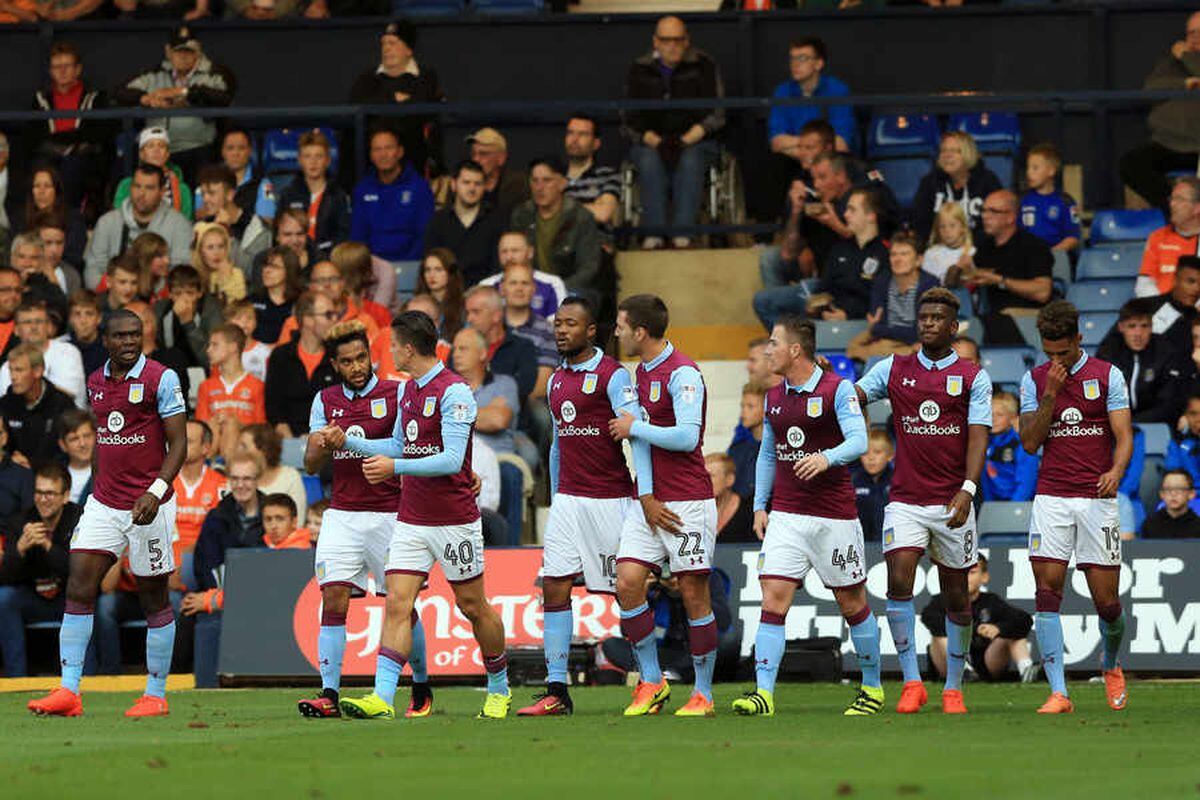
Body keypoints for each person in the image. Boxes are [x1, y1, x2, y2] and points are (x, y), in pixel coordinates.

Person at [325, 310, 512, 721]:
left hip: (454, 519)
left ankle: (499, 686)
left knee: (473, 605)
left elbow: (448, 460)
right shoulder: (408, 390)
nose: (387, 352)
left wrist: (397, 468)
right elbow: (397, 443)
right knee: (397, 603)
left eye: (392, 345)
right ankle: (382, 697)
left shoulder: (455, 392)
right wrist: (351, 443)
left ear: (409, 349)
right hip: (411, 518)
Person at [27, 309, 187, 719]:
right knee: (79, 585)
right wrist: (94, 490)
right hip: (105, 503)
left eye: (136, 334)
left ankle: (155, 694)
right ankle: (69, 690)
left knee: (154, 596)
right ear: (105, 340)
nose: (130, 342)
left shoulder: (161, 379)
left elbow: (179, 445)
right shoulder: (96, 383)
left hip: (151, 504)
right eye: (121, 336)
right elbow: (104, 439)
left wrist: (155, 491)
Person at [855, 287, 993, 715]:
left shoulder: (973, 376)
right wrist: (829, 383)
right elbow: (853, 395)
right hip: (906, 500)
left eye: (938, 318)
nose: (929, 323)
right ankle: (912, 682)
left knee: (957, 597)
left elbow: (978, 437)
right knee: (899, 580)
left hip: (953, 501)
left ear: (953, 327)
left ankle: (953, 686)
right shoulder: (893, 368)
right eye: (924, 317)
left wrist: (968, 489)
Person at [733, 315, 878, 717]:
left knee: (852, 603)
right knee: (773, 599)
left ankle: (872, 687)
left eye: (774, 343)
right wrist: (762, 504)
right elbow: (767, 454)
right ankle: (764, 693)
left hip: (834, 517)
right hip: (788, 516)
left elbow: (859, 441)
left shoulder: (838, 389)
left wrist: (826, 458)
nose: (767, 350)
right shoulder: (775, 396)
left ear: (795, 349)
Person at [513, 296, 639, 716]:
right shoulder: (555, 381)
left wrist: (648, 492)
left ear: (590, 331)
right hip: (568, 500)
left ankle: (654, 679)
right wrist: (554, 494)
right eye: (557, 323)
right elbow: (558, 445)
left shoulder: (613, 376)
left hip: (610, 499)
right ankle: (556, 690)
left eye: (570, 323)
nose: (561, 330)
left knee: (628, 591)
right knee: (554, 586)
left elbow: (635, 432)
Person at [300, 320, 432, 718]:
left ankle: (422, 684)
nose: (357, 366)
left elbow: (409, 446)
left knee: (402, 605)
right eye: (347, 361)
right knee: (333, 597)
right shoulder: (324, 400)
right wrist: (321, 442)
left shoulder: (398, 392)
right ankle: (329, 694)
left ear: (371, 355)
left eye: (362, 358)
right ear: (335, 365)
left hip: (392, 514)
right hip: (342, 514)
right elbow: (309, 465)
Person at [1018, 300, 1132, 714]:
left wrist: (1117, 470)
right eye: (1048, 353)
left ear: (1079, 340)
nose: (1055, 360)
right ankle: (1059, 692)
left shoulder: (1107, 375)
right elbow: (1030, 443)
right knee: (1047, 592)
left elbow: (1123, 434)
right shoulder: (1034, 381)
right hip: (1051, 497)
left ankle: (1111, 663)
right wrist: (1050, 390)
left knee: (1108, 603)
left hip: (1097, 499)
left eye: (1062, 353)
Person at [607, 293, 719, 717]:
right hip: (651, 500)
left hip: (689, 500)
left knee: (693, 592)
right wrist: (647, 496)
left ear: (640, 331)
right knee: (628, 581)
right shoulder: (640, 372)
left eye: (621, 325)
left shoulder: (682, 373)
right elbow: (641, 443)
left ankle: (703, 693)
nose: (616, 332)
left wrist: (638, 424)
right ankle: (652, 683)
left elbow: (687, 437)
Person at [623, 16, 724, 250]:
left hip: (696, 139)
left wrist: (685, 140)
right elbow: (628, 118)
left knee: (690, 159)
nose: (672, 45)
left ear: (686, 40)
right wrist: (655, 141)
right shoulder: (640, 68)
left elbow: (718, 112)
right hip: (650, 140)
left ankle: (682, 235)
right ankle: (654, 234)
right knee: (649, 160)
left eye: (678, 40)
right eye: (666, 40)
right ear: (655, 42)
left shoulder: (704, 65)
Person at [113, 26, 235, 181]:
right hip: (156, 147)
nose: (183, 56)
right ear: (168, 52)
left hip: (195, 146)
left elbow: (223, 97)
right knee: (125, 163)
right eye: (178, 51)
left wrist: (183, 92)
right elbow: (119, 93)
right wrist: (146, 98)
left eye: (189, 51)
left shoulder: (213, 73)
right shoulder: (155, 73)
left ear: (198, 51)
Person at [186, 453, 264, 688]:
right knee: (208, 623)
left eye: (248, 478)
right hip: (218, 599)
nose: (241, 485)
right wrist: (219, 597)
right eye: (236, 478)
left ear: (258, 479)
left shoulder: (274, 512)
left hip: (265, 600)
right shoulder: (216, 517)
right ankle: (206, 691)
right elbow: (206, 566)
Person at [0, 463, 82, 677]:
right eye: (38, 492)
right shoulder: (19, 522)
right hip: (32, 598)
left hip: (68, 597)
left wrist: (47, 546)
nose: (42, 499)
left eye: (50, 493)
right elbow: (5, 577)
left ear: (65, 496)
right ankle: (15, 679)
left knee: (88, 598)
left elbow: (79, 573)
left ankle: (86, 678)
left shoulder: (79, 519)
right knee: (4, 598)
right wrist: (20, 549)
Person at [1119, 11, 1200, 212]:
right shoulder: (1169, 63)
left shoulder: (1183, 56)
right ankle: (1176, 211)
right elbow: (1150, 90)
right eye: (1191, 32)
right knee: (1131, 163)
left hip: (1198, 143)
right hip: (1167, 142)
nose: (1195, 37)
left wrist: (1186, 56)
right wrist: (1184, 85)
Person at [952, 190, 1054, 346]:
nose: (985, 216)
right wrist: (962, 270)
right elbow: (964, 282)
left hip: (1027, 318)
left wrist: (1000, 281)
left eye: (993, 211)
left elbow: (1043, 292)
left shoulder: (1033, 246)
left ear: (1010, 217)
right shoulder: (984, 246)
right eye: (984, 210)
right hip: (991, 319)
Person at [348, 19, 445, 178]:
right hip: (370, 166)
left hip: (415, 163)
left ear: (408, 49)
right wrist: (394, 99)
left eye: (393, 43)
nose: (386, 49)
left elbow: (418, 116)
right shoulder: (367, 78)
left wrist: (381, 106)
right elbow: (355, 111)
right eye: (384, 44)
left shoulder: (426, 76)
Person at [766, 38, 856, 210]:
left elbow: (841, 144)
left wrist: (805, 149)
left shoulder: (837, 90)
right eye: (792, 59)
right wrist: (809, 150)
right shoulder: (783, 91)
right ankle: (775, 231)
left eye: (802, 59)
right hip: (795, 160)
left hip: (830, 160)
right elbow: (777, 142)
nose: (795, 64)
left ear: (819, 63)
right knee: (774, 164)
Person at [451, 327, 523, 540]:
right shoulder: (446, 387)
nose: (456, 354)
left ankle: (510, 552)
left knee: (510, 473)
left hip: (499, 457)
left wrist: (455, 415)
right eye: (454, 348)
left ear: (482, 353)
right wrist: (483, 413)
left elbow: (498, 420)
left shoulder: (504, 383)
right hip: (456, 456)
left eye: (463, 348)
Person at [920, 554, 1036, 683]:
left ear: (984, 577)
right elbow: (929, 618)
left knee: (1015, 630)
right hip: (947, 666)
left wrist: (999, 629)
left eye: (971, 572)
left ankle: (1026, 669)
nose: (965, 578)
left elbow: (1025, 620)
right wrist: (971, 629)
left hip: (987, 662)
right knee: (938, 635)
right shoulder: (942, 601)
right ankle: (962, 670)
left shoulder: (992, 602)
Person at [27, 44, 112, 217]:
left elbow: (97, 134)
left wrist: (65, 143)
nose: (62, 71)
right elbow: (34, 135)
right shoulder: (40, 98)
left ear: (78, 69)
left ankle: (69, 220)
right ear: (50, 71)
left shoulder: (95, 97)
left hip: (83, 159)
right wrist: (67, 141)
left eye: (67, 66)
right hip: (49, 156)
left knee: (74, 165)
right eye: (57, 67)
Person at [84, 163, 192, 289]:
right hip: (112, 301)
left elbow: (180, 274)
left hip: (159, 303)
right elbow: (94, 269)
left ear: (162, 191)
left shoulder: (180, 225)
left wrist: (147, 297)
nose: (141, 193)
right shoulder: (107, 222)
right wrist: (116, 296)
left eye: (149, 188)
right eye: (137, 186)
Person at [509, 157, 603, 301]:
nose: (540, 187)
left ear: (562, 183)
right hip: (528, 288)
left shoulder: (581, 217)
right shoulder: (521, 215)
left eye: (547, 180)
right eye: (535, 181)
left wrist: (556, 290)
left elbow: (588, 268)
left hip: (571, 288)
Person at [846, 231, 939, 361]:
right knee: (852, 347)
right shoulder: (882, 282)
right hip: (887, 342)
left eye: (904, 254)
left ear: (919, 260)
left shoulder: (930, 285)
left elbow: (925, 330)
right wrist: (882, 330)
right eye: (893, 254)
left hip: (916, 343)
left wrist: (883, 330)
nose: (897, 259)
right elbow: (875, 328)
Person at [1096, 298, 1187, 425]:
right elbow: (1099, 397)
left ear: (1151, 327)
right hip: (1114, 423)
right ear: (1121, 327)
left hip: (1155, 425)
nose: (1138, 333)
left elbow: (1169, 402)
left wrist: (1134, 423)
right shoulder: (1108, 352)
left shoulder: (1165, 351)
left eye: (1144, 326)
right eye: (1132, 326)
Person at [350, 127, 434, 265]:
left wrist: (407, 267)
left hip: (411, 266)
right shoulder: (363, 189)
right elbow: (358, 237)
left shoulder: (419, 187)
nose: (383, 154)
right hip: (372, 268)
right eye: (377, 149)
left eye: (388, 148)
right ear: (371, 155)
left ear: (400, 152)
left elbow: (424, 236)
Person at [264, 291, 339, 438]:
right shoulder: (281, 356)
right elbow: (274, 411)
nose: (335, 319)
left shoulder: (338, 357)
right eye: (328, 315)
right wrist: (294, 444)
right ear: (307, 319)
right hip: (288, 440)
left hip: (328, 442)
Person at [911, 131, 1004, 241]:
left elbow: (997, 224)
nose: (947, 155)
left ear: (968, 153)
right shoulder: (930, 182)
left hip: (980, 250)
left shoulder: (988, 181)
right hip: (940, 250)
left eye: (954, 151)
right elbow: (920, 224)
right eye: (943, 150)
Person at [423, 160, 503, 287]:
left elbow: (497, 269)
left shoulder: (496, 222)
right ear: (454, 185)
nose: (472, 188)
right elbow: (431, 264)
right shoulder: (438, 221)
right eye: (466, 182)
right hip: (446, 293)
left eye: (477, 184)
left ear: (484, 187)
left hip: (485, 295)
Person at [276, 130, 351, 261]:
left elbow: (343, 237)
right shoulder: (288, 194)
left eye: (319, 156)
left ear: (327, 160)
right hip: (293, 261)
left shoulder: (338, 195)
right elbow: (278, 234)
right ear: (300, 160)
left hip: (330, 262)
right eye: (307, 156)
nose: (313, 162)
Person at [196, 323, 267, 459]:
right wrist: (216, 421)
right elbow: (201, 427)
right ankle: (214, 468)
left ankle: (222, 468)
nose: (208, 350)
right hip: (212, 443)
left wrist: (237, 423)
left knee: (231, 423)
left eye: (215, 345)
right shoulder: (206, 386)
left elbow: (261, 430)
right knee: (216, 424)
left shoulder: (257, 385)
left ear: (233, 347)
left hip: (246, 450)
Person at [0, 343, 76, 468]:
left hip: (52, 477)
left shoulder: (62, 405)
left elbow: (70, 451)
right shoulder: (4, 405)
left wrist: (33, 464)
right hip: (13, 477)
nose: (13, 377)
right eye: (11, 370)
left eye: (19, 370)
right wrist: (10, 461)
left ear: (38, 371)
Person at [0, 300, 85, 407]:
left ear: (48, 326)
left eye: (39, 321)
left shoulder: (68, 352)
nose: (34, 327)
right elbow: (7, 406)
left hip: (67, 420)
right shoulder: (7, 366)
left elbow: (67, 397)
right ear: (16, 330)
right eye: (27, 322)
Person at [463, 285, 539, 405]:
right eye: (467, 312)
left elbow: (525, 388)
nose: (469, 319)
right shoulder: (460, 347)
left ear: (496, 316)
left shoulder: (522, 347)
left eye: (476, 312)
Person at [171, 419, 225, 570]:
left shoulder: (221, 485)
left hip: (203, 559)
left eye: (188, 441)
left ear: (205, 448)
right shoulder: (163, 482)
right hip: (165, 559)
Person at [195, 165, 269, 272]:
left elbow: (252, 271)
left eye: (211, 193)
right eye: (203, 194)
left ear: (230, 194)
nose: (205, 199)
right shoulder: (202, 226)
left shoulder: (256, 227)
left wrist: (226, 234)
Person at [111, 127, 193, 220]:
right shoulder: (127, 185)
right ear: (141, 154)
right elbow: (118, 220)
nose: (156, 150)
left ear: (167, 154)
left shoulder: (182, 189)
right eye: (150, 146)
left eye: (161, 146)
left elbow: (186, 223)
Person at [1136, 178, 1200, 298]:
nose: (1172, 204)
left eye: (1179, 199)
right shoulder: (1158, 237)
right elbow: (1144, 284)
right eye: (1172, 199)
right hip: (1161, 310)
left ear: (1197, 208)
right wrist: (1163, 309)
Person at [195, 128, 274, 224]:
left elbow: (266, 224)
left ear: (250, 151)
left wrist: (238, 217)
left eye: (241, 148)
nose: (235, 153)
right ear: (222, 151)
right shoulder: (207, 181)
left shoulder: (265, 185)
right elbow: (199, 216)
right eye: (230, 148)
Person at [564, 115, 621, 243]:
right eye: (570, 133)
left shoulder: (608, 175)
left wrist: (558, 208)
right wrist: (592, 206)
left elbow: (603, 214)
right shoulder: (553, 176)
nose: (574, 139)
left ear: (596, 143)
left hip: (595, 248)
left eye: (582, 134)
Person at [154, 264, 223, 370]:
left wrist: (188, 323)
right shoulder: (160, 310)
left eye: (189, 293)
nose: (184, 299)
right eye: (178, 293)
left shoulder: (211, 310)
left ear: (199, 293)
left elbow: (211, 359)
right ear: (170, 294)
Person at [238, 424, 307, 525]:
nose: (238, 451)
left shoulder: (290, 478)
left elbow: (297, 524)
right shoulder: (237, 477)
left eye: (244, 446)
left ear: (264, 450)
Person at [1019, 143, 1081, 252]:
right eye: (1028, 167)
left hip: (1056, 258)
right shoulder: (1022, 200)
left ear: (1051, 171)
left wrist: (1052, 254)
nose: (1029, 172)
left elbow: (1073, 238)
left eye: (1035, 168)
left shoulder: (1065, 201)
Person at [21, 167, 87, 269]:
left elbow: (74, 258)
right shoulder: (22, 218)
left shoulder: (74, 219)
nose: (41, 191)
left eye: (47, 186)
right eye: (37, 186)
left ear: (57, 191)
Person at [982, 390, 1038, 503]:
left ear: (1013, 418)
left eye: (1000, 415)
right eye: (990, 414)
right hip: (992, 506)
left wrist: (1011, 510)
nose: (993, 419)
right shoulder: (984, 443)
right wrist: (988, 506)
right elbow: (985, 483)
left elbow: (1026, 484)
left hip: (1018, 506)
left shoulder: (1022, 444)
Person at [10, 232, 68, 332]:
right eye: (22, 257)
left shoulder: (49, 289)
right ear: (12, 259)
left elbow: (60, 318)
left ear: (41, 261)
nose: (27, 263)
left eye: (33, 258)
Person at [466, 127, 528, 220]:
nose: (476, 159)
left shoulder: (518, 186)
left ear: (501, 158)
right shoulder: (462, 184)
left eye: (483, 154)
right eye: (473, 154)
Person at [249, 245, 301, 345]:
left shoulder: (301, 302)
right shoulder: (251, 300)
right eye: (266, 265)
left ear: (289, 271)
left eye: (275, 267)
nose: (266, 271)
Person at [850, 429, 893, 543]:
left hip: (890, 543)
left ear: (890, 455)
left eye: (877, 452)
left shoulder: (897, 481)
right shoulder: (853, 481)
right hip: (860, 543)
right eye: (865, 453)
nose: (871, 458)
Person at [414, 248, 464, 338]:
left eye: (438, 269)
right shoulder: (415, 304)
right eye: (427, 270)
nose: (432, 275)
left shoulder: (463, 305)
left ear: (450, 273)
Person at [726, 382, 765, 499]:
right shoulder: (736, 449)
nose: (743, 412)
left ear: (766, 410)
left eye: (750, 406)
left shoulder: (779, 449)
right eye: (742, 406)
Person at [193, 222, 246, 305]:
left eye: (221, 246)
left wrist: (226, 279)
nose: (216, 253)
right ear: (200, 252)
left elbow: (236, 309)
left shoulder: (236, 274)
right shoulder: (193, 275)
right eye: (210, 247)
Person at [922, 202, 974, 285]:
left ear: (963, 227)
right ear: (937, 229)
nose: (947, 231)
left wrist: (970, 270)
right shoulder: (931, 254)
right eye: (942, 226)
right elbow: (925, 284)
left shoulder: (972, 252)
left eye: (952, 225)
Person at [1141, 469, 1200, 538]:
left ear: (1191, 494)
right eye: (1168, 489)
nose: (1173, 493)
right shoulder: (1150, 524)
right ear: (1162, 494)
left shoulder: (1198, 525)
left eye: (1179, 488)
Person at [224, 300, 271, 381]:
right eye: (238, 318)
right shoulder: (222, 352)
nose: (244, 322)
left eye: (249, 318)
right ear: (228, 323)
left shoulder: (265, 352)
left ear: (256, 322)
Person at [57, 409, 95, 504]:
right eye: (74, 439)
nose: (82, 444)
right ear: (63, 445)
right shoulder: (54, 473)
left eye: (87, 436)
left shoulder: (108, 474)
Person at [1165, 394, 1200, 485]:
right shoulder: (1177, 444)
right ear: (1184, 417)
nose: (1198, 419)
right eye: (1193, 414)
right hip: (1186, 495)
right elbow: (1174, 477)